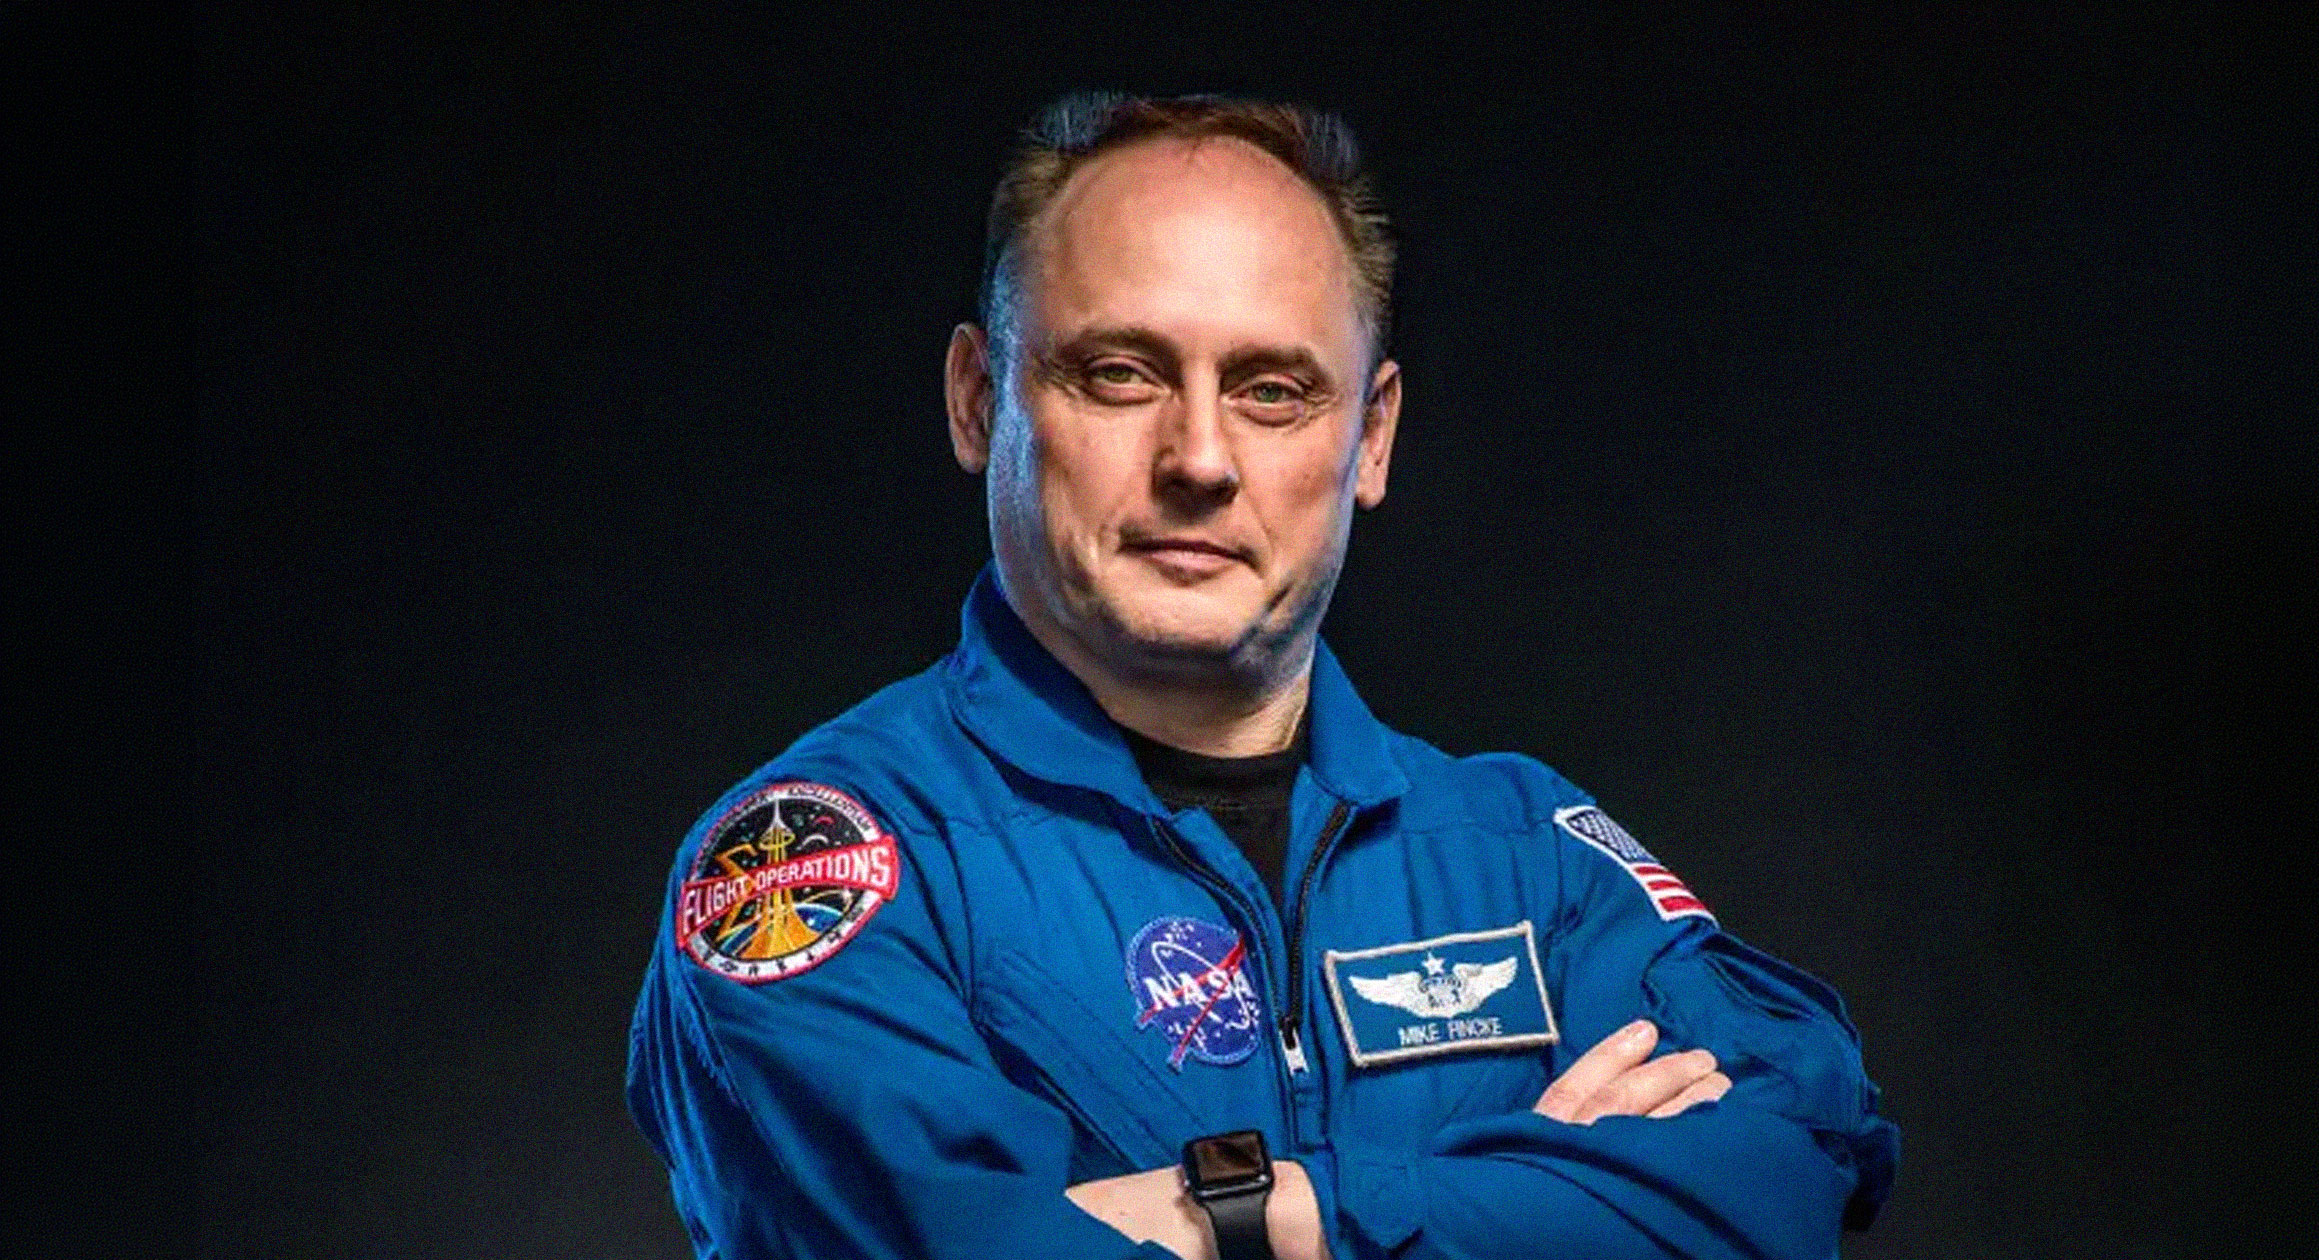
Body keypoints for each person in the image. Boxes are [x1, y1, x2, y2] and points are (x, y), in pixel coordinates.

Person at [627, 92, 1897, 1260]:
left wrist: (1261, 1210)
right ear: (977, 401)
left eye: (1273, 391)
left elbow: (1797, 1158)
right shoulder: (817, 869)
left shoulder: (1525, 856)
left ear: (1372, 437)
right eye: (1119, 374)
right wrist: (1525, 1198)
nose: (1200, 458)